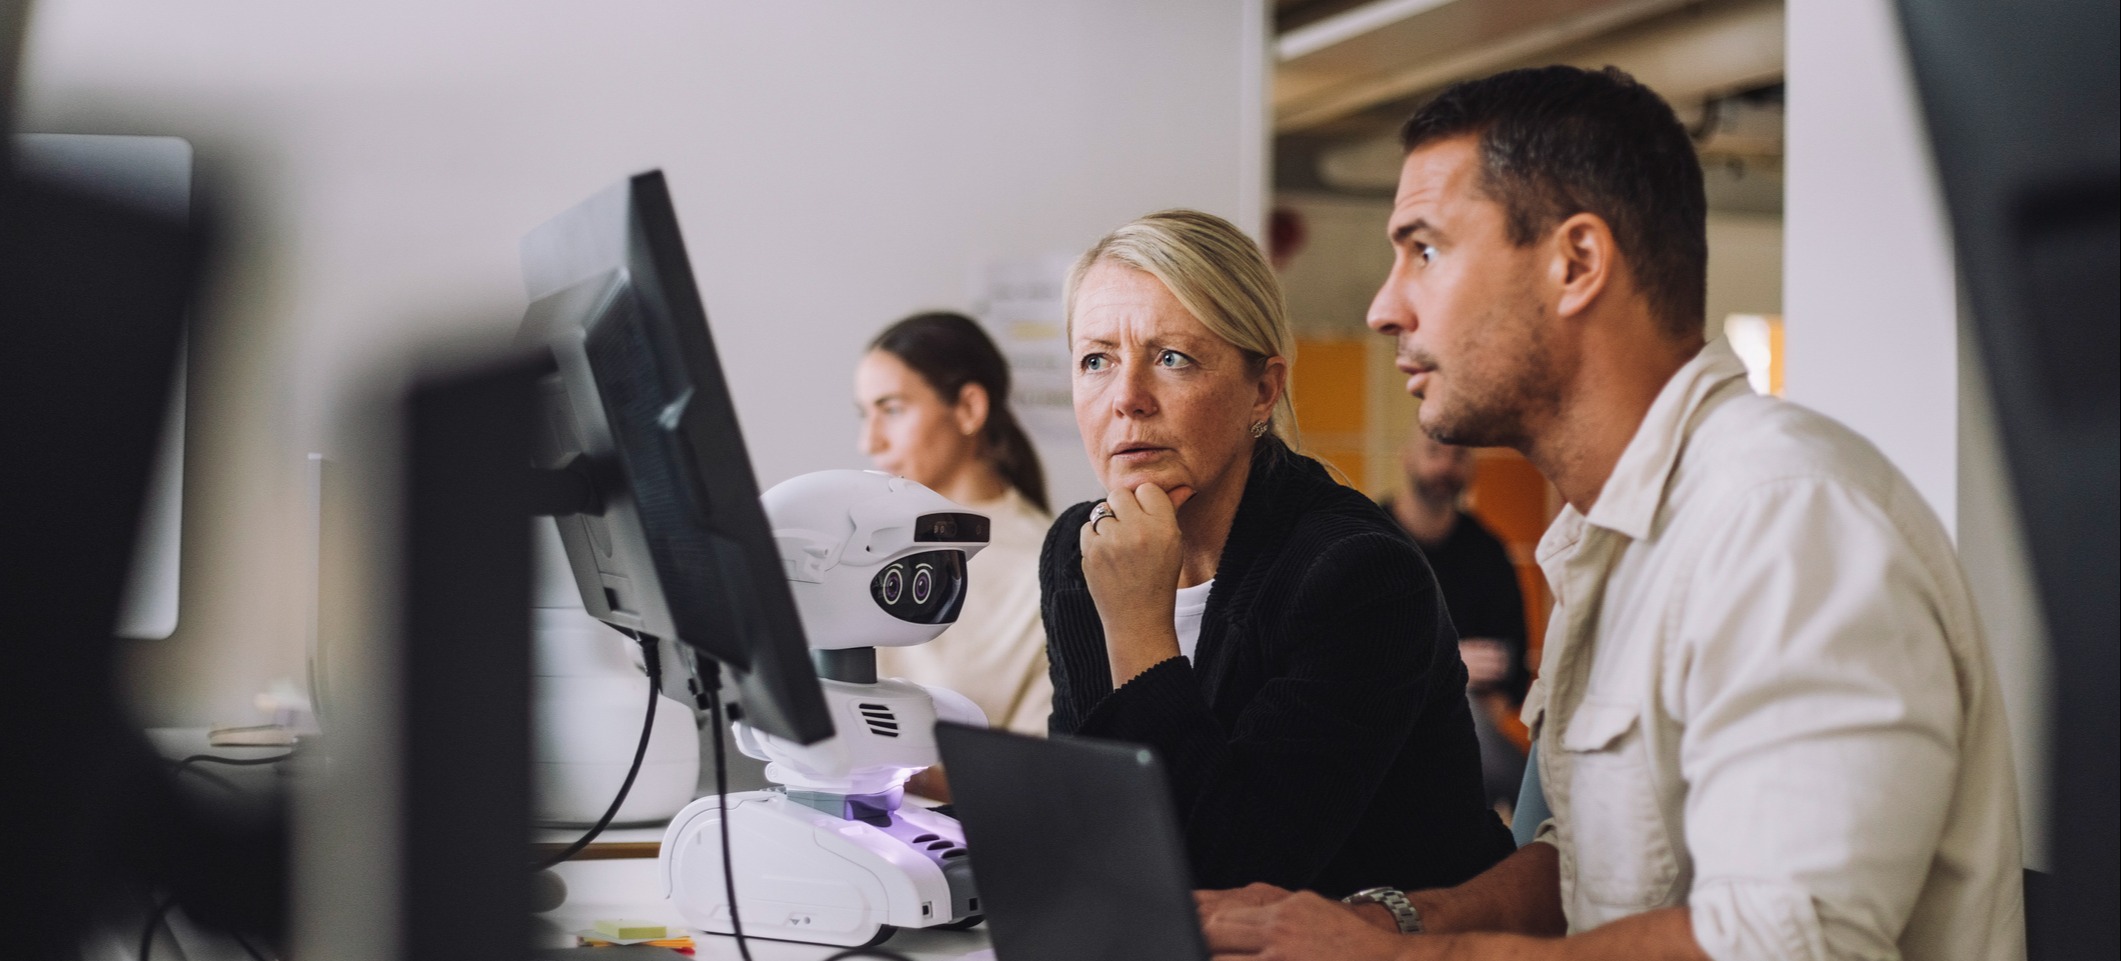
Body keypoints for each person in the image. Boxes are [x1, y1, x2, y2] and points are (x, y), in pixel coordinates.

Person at [1198, 65, 2026, 961]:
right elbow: (1589, 869)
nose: (1382, 306)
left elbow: (1788, 945)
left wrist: (1407, 960)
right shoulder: (1607, 536)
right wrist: (1392, 920)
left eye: (1425, 249)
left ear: (1575, 263)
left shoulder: (1785, 519)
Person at [1042, 209, 1514, 898]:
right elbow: (1091, 808)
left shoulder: (1356, 573)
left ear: (1261, 390)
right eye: (1096, 360)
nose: (1126, 398)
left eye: (1171, 357)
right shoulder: (1079, 547)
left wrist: (1139, 627)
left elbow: (1234, 870)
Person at [856, 312, 1054, 748]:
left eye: (891, 409)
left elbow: (1034, 771)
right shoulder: (861, 541)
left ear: (968, 409)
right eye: (864, 414)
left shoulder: (1045, 569)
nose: (869, 442)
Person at [1384, 429, 1529, 810]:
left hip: (1465, 732)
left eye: (1460, 455)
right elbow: (1344, 652)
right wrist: (1449, 661)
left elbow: (1510, 669)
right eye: (1434, 452)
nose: (1446, 465)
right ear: (1407, 457)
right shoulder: (1368, 539)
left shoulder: (1487, 553)